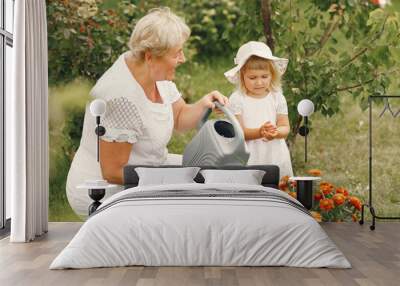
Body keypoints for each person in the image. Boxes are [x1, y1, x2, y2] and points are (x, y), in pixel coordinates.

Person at [67, 7, 228, 216]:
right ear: (151, 56)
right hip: (106, 191)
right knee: (196, 200)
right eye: (177, 53)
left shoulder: (153, 72)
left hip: (147, 169)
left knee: (210, 176)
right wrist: (174, 177)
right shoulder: (121, 98)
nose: (183, 59)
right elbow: (113, 172)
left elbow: (179, 117)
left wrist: (204, 103)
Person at [224, 41, 293, 178]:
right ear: (242, 77)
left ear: (272, 75)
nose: (259, 82)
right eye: (252, 78)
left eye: (264, 76)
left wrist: (274, 132)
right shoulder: (237, 99)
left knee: (277, 184)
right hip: (249, 156)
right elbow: (239, 133)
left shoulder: (276, 97)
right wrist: (260, 132)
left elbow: (285, 127)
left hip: (274, 154)